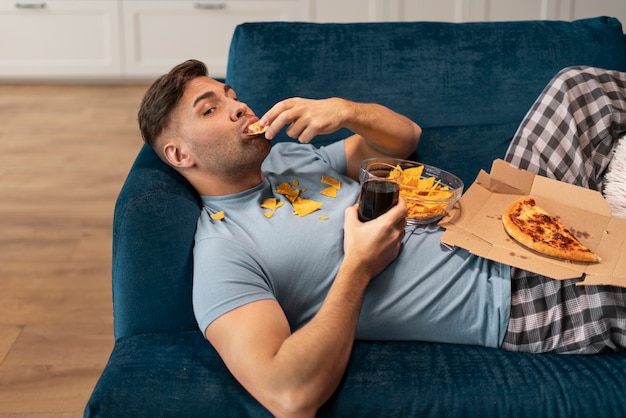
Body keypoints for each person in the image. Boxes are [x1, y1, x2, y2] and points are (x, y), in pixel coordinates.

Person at [137, 60, 626, 418]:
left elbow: (403, 139)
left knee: (578, 89)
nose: (238, 106)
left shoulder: (289, 160)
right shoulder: (225, 251)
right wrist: (358, 267)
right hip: (516, 298)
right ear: (180, 154)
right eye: (211, 108)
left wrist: (346, 110)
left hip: (502, 219)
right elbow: (288, 395)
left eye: (229, 93)